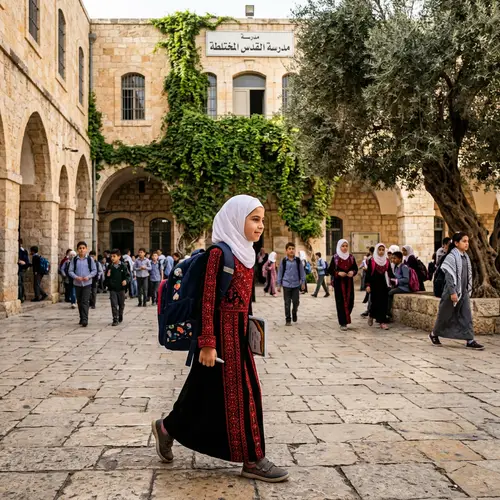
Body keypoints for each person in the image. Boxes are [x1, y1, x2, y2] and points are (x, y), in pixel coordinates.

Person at [151, 194, 289, 483]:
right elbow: (207, 299)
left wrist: (253, 332)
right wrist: (207, 342)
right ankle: (253, 460)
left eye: (262, 219)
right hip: (219, 338)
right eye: (254, 219)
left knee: (201, 394)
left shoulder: (247, 254)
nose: (260, 225)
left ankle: (166, 428)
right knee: (246, 393)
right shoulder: (219, 254)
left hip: (238, 336)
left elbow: (245, 302)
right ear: (236, 220)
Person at [429, 232, 484, 350]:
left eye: (467, 241)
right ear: (456, 243)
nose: (467, 244)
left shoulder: (465, 257)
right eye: (464, 241)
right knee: (445, 315)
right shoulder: (451, 257)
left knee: (466, 314)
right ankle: (434, 334)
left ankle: (470, 340)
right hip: (451, 292)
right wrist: (453, 292)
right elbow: (449, 277)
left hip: (463, 292)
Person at [328, 240, 358, 330]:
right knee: (340, 302)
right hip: (339, 283)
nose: (344, 248)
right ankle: (343, 322)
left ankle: (346, 317)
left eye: (346, 246)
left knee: (350, 301)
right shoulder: (335, 258)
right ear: (339, 247)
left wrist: (353, 272)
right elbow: (330, 270)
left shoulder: (351, 258)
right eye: (343, 246)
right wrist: (338, 273)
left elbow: (355, 268)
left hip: (349, 283)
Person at [68, 241, 97, 327]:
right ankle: (81, 317)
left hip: (87, 283)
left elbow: (94, 270)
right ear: (77, 250)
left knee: (85, 301)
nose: (82, 250)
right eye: (80, 248)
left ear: (86, 249)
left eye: (83, 248)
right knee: (80, 301)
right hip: (77, 284)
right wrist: (76, 277)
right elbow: (70, 271)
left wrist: (88, 276)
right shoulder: (74, 259)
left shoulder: (90, 259)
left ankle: (85, 319)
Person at [365, 243, 393, 330]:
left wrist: (393, 282)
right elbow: (368, 274)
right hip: (374, 285)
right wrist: (368, 285)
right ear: (377, 250)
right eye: (379, 250)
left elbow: (390, 273)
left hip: (384, 285)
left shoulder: (387, 261)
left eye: (382, 250)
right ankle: (371, 315)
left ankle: (382, 322)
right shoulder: (372, 261)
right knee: (375, 302)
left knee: (383, 303)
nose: (381, 252)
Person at [277, 243, 306, 326]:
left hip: (296, 285)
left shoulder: (298, 261)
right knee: (287, 302)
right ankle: (288, 319)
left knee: (296, 301)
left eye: (293, 248)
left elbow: (302, 272)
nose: (291, 250)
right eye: (289, 248)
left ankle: (294, 311)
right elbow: (280, 273)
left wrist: (303, 282)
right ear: (286, 250)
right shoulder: (283, 261)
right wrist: (279, 284)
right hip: (286, 285)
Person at [104, 249, 130, 326]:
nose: (112, 258)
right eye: (111, 256)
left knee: (121, 304)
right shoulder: (109, 266)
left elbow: (128, 276)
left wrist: (126, 281)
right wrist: (107, 276)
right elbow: (106, 278)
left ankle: (120, 314)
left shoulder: (123, 266)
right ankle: (115, 318)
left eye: (114, 256)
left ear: (119, 257)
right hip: (112, 289)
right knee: (114, 304)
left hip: (121, 289)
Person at [387, 251, 411, 320]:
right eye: (392, 258)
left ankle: (388, 313)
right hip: (398, 286)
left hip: (404, 288)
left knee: (390, 293)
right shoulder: (396, 267)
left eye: (395, 258)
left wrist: (397, 281)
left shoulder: (404, 267)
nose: (393, 260)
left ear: (400, 259)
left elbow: (406, 279)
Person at [361, 246, 375, 317]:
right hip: (371, 281)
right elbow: (369, 272)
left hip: (378, 282)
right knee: (370, 296)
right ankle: (369, 310)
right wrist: (368, 284)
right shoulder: (370, 259)